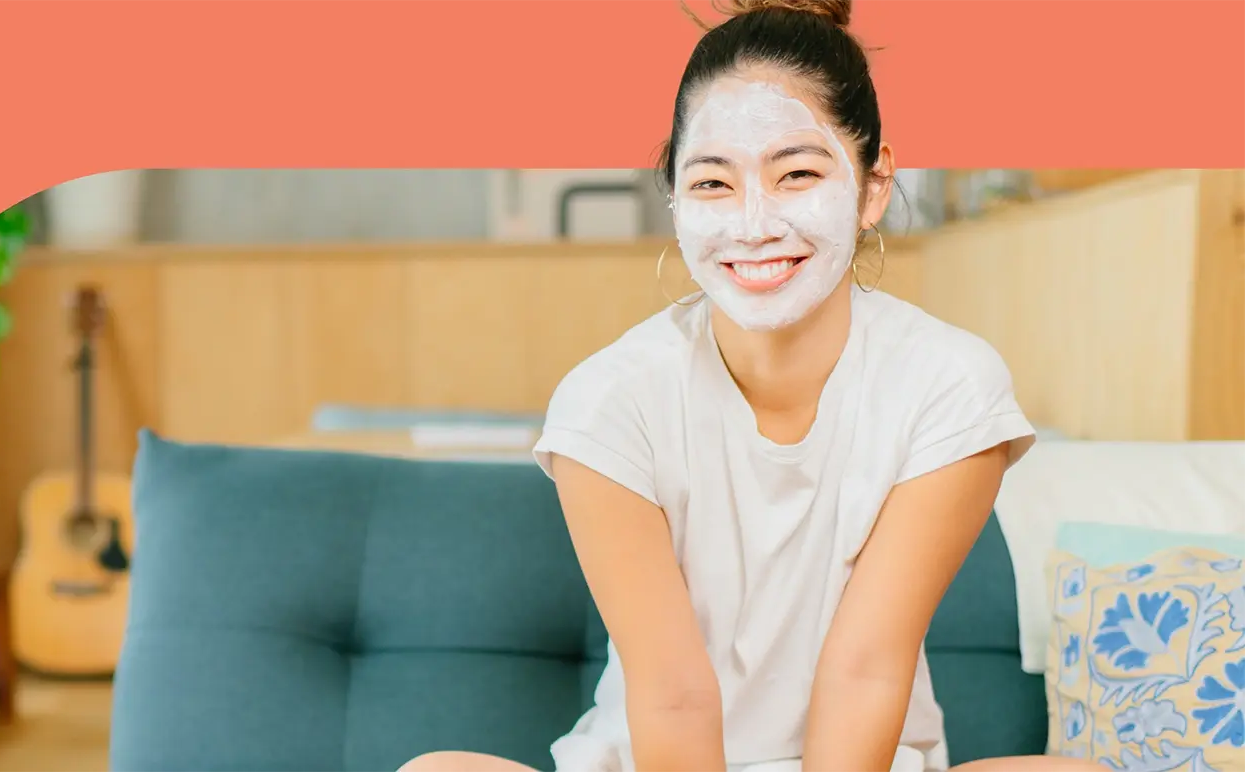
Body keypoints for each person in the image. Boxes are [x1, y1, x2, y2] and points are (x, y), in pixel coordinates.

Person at [402, 1, 1102, 771]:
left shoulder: (948, 383)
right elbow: (674, 694)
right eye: (713, 184)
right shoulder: (608, 400)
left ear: (872, 187)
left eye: (797, 173)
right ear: (673, 197)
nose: (753, 224)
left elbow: (865, 667)